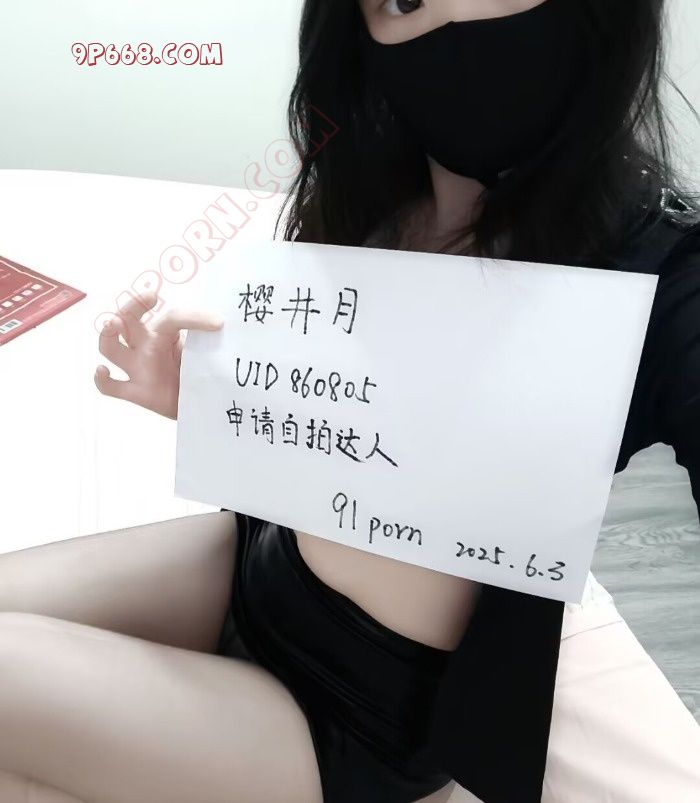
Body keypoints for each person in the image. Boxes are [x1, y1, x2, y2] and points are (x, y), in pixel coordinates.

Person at [1, 0, 699, 801]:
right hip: (255, 566)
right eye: (402, 2)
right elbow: (345, 427)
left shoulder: (642, 262)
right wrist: (211, 404)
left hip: (348, 719)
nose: (447, 23)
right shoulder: (374, 187)